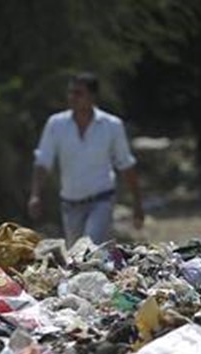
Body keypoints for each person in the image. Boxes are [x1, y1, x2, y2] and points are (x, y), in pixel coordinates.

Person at [29, 72, 144, 245]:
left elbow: (126, 165)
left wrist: (137, 204)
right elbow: (43, 162)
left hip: (101, 200)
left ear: (92, 96)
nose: (72, 97)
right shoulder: (56, 124)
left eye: (78, 93)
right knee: (75, 253)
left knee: (90, 247)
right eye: (70, 92)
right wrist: (35, 194)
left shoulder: (111, 125)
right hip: (70, 205)